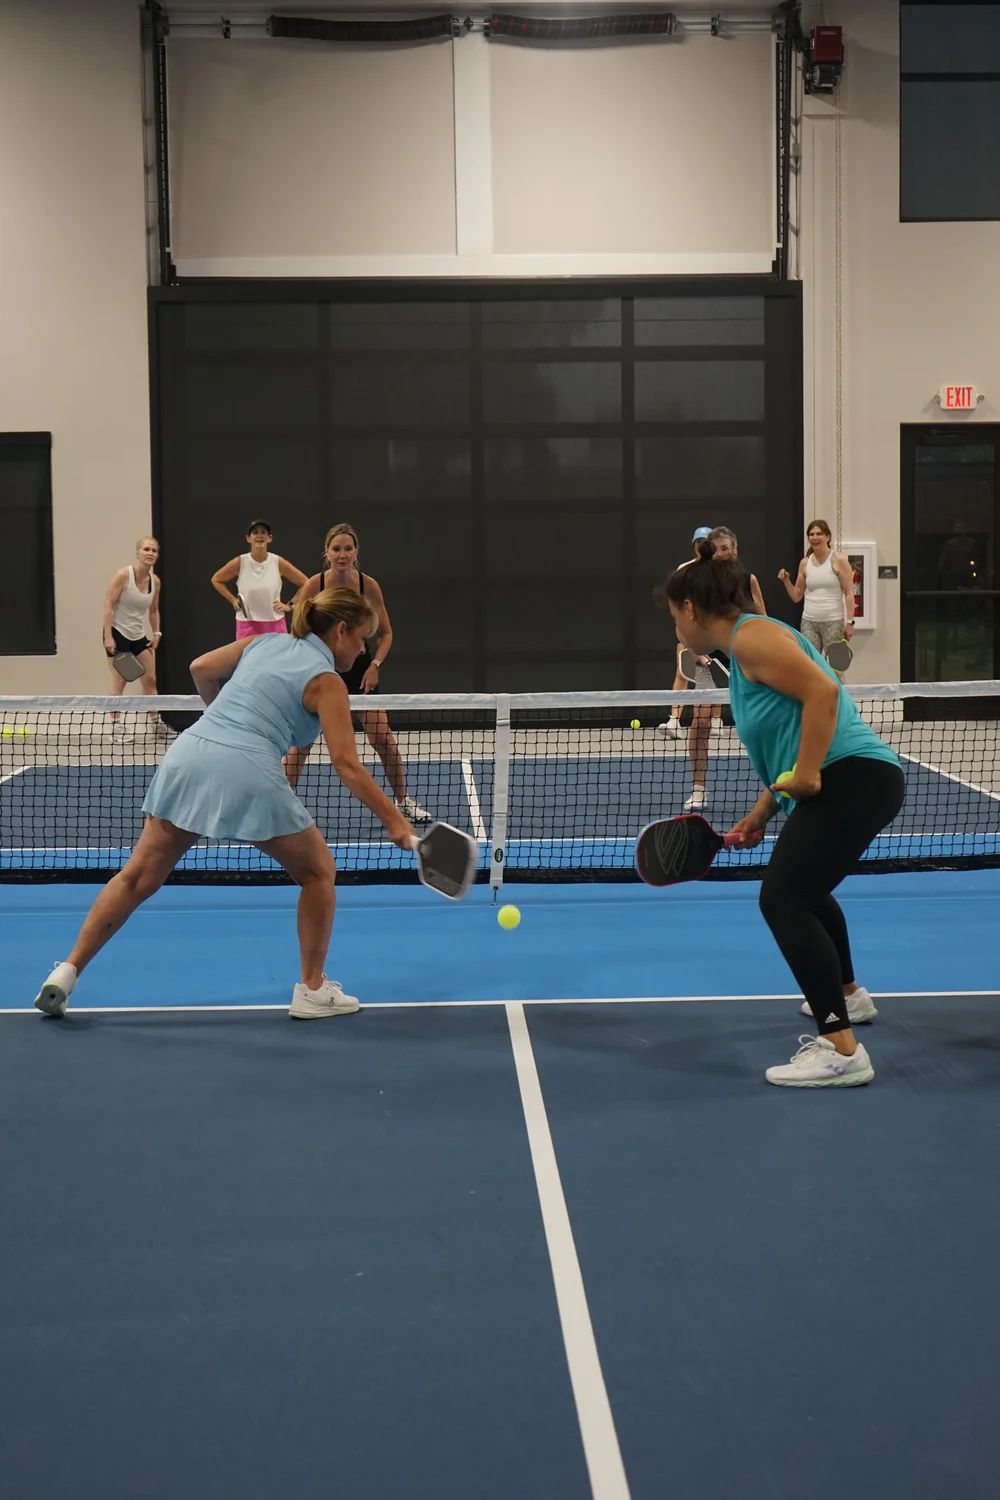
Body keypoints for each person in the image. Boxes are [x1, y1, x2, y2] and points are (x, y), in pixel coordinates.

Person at [33, 588, 417, 1022]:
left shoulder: (266, 641)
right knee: (317, 872)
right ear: (341, 630)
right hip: (247, 768)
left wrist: (222, 718)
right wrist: (395, 821)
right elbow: (346, 764)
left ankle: (66, 972)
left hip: (189, 752)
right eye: (361, 639)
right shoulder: (327, 681)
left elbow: (201, 668)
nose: (363, 650)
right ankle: (311, 990)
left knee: (137, 877)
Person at [657, 541, 905, 1088]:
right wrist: (764, 809)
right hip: (853, 779)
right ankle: (849, 997)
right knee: (809, 892)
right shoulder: (746, 654)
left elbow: (824, 691)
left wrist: (811, 775)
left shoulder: (752, 636)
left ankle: (841, 1049)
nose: (675, 627)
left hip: (852, 778)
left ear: (691, 609)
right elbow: (791, 740)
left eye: (674, 615)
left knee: (783, 898)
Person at [285, 523, 430, 823]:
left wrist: (375, 665)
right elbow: (296, 631)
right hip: (322, 671)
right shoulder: (314, 586)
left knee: (383, 739)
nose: (342, 554)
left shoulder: (368, 586)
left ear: (356, 552)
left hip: (361, 672)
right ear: (326, 552)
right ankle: (280, 805)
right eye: (336, 548)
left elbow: (386, 633)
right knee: (301, 744)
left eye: (347, 548)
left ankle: (402, 801)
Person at [658, 527, 765, 811]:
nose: (720, 553)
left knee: (766, 722)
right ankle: (699, 789)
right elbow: (684, 628)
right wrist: (696, 654)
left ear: (735, 551)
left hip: (745, 656)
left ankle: (777, 784)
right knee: (701, 722)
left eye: (725, 548)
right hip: (709, 658)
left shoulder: (747, 581)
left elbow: (765, 620)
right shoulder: (699, 584)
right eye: (715, 549)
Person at [102, 536, 162, 737]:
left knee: (151, 680)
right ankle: (115, 725)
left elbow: (153, 610)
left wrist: (156, 633)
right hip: (118, 634)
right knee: (120, 681)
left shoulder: (155, 582)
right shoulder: (122, 576)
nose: (150, 553)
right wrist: (108, 637)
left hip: (138, 636)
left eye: (154, 550)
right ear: (138, 553)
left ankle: (156, 723)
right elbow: (108, 606)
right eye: (146, 549)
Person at [211, 521, 309, 638]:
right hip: (246, 624)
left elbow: (305, 583)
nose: (259, 535)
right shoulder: (240, 562)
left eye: (263, 532)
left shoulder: (278, 562)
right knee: (248, 656)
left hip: (275, 623)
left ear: (269, 538)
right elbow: (216, 579)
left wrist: (290, 605)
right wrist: (232, 600)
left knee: (277, 656)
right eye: (255, 532)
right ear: (248, 538)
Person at [778, 519, 855, 664]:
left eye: (819, 534)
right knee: (809, 665)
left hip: (833, 621)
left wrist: (850, 622)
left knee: (836, 666)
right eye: (811, 534)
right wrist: (786, 581)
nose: (814, 537)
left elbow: (849, 593)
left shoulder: (838, 560)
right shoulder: (805, 563)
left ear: (827, 537)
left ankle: (838, 688)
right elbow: (796, 596)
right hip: (809, 622)